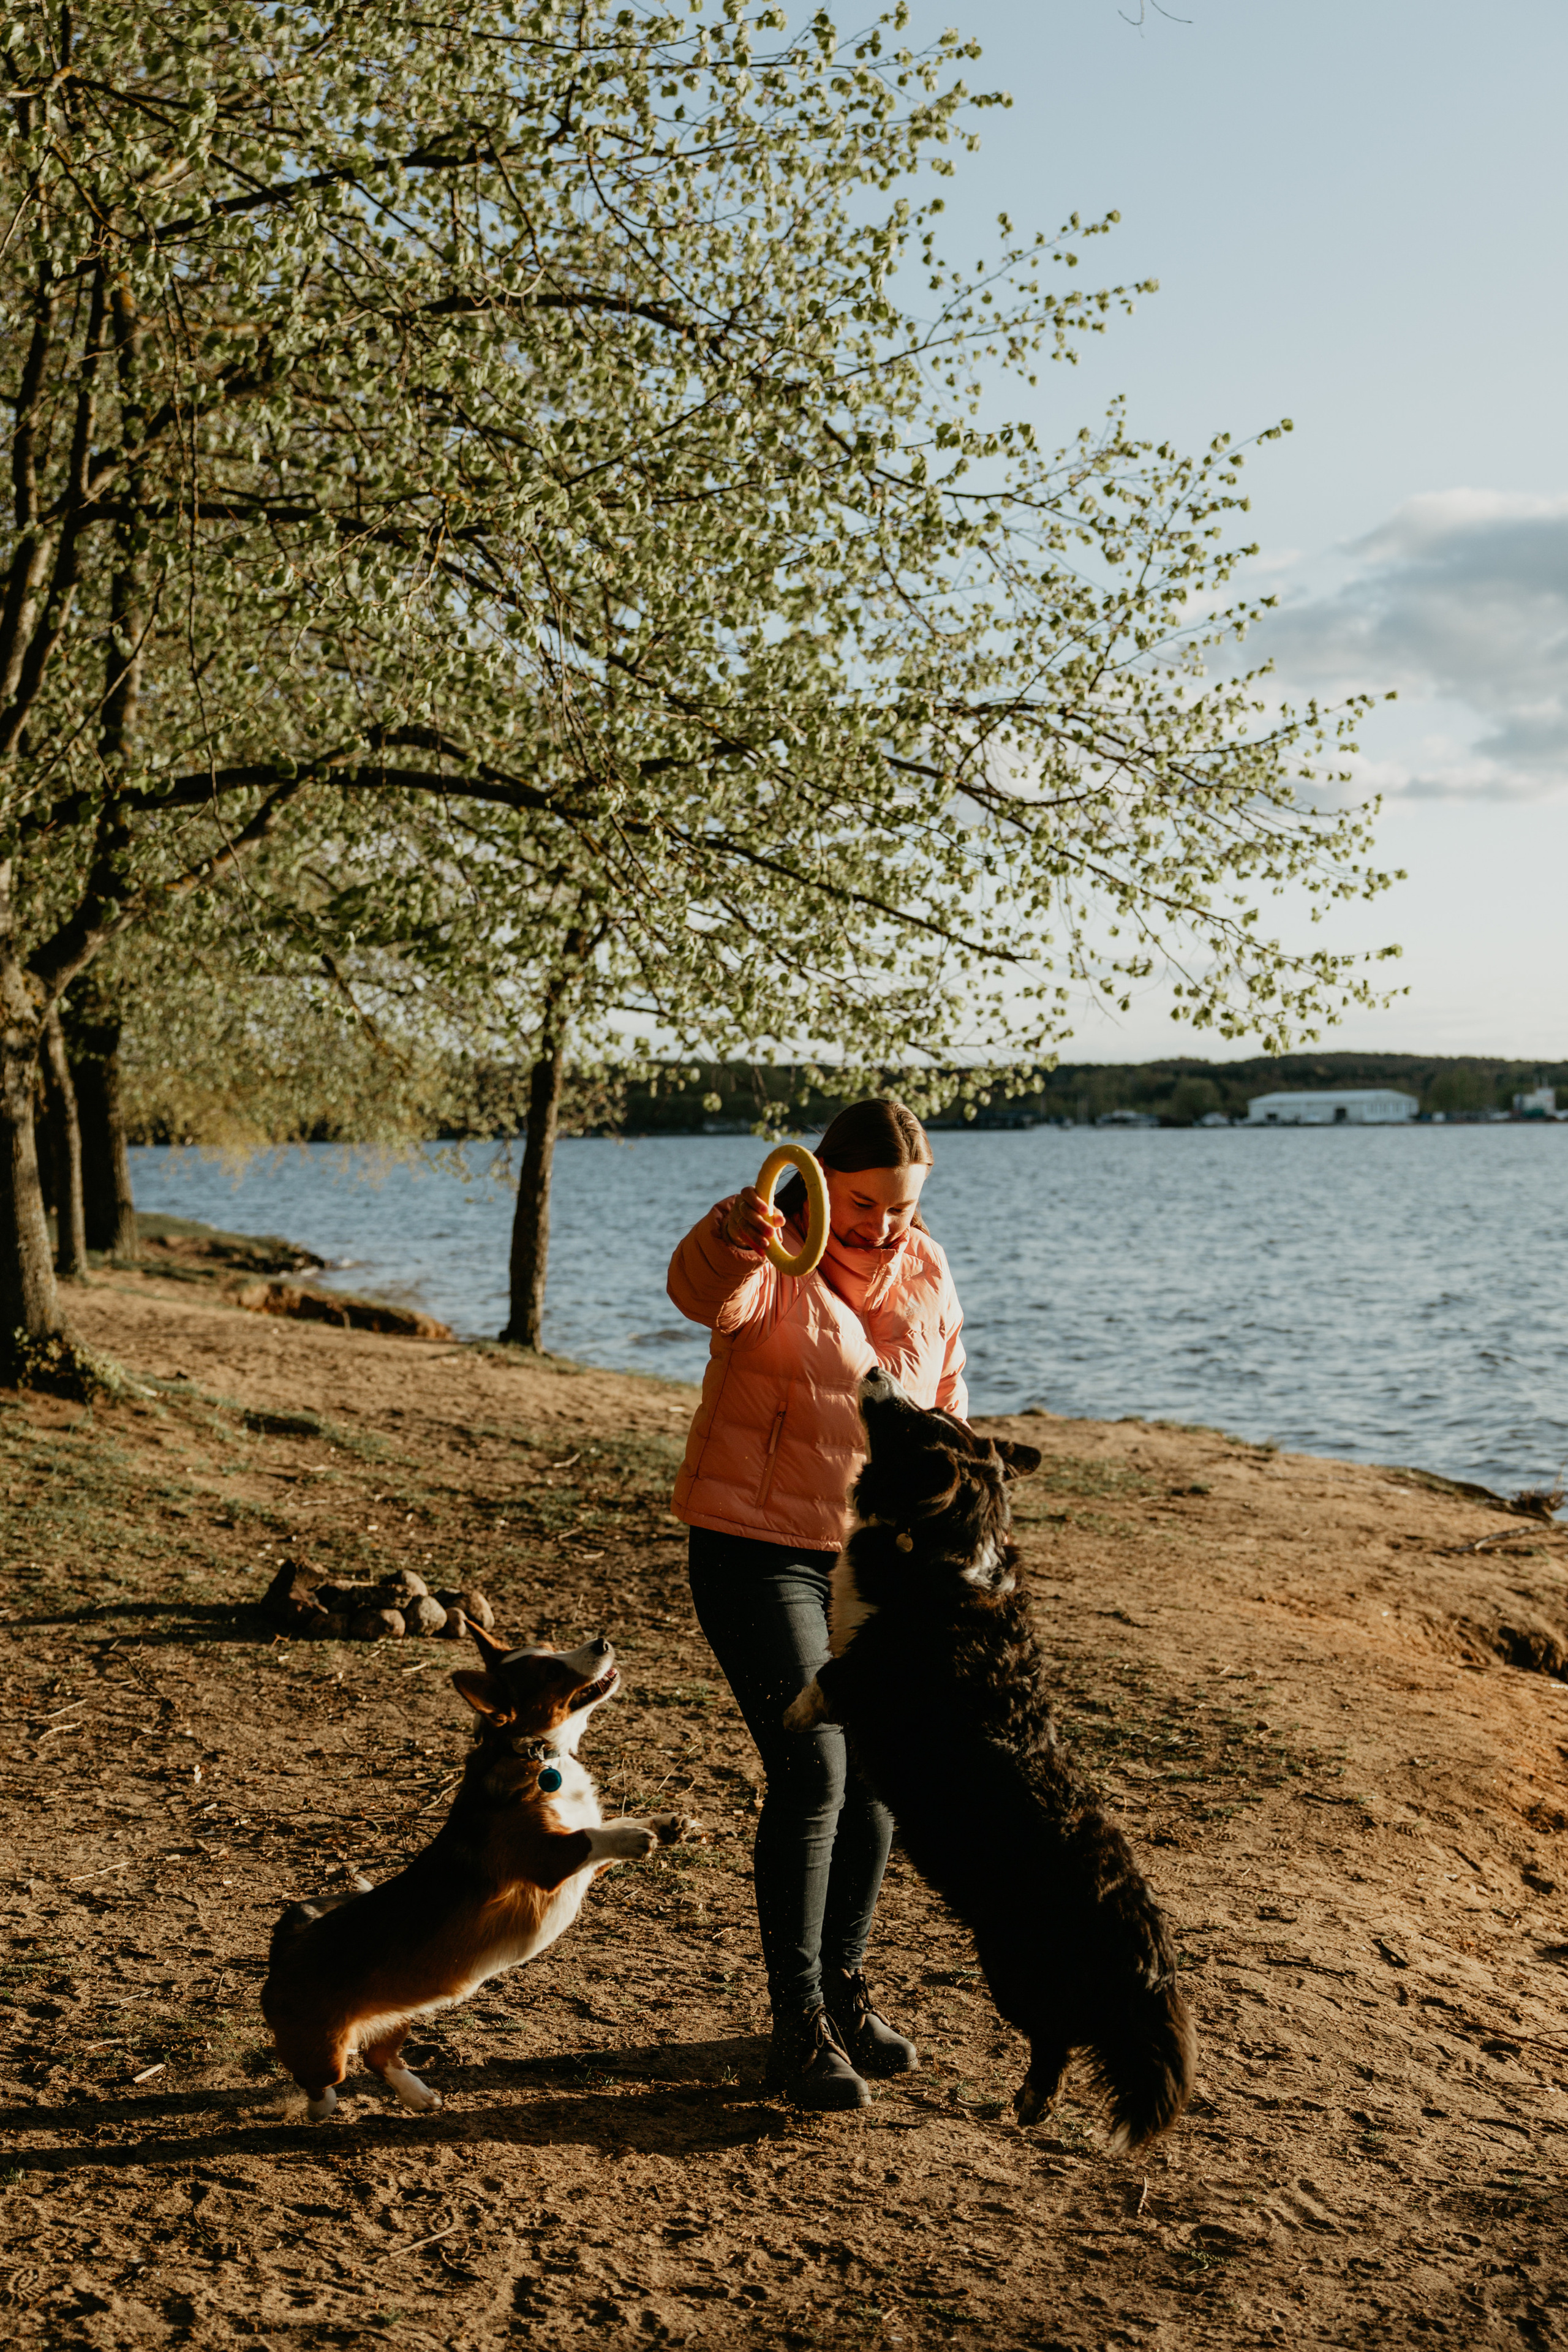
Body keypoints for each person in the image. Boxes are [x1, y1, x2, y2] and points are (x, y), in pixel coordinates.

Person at [666, 1098, 968, 2110]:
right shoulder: (770, 1253)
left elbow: (946, 1410)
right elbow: (700, 1293)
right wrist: (731, 1233)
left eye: (903, 1207)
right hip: (754, 1553)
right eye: (866, 1204)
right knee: (813, 1765)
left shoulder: (927, 1270)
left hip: (867, 1566)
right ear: (822, 1184)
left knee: (878, 1770)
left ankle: (842, 1990)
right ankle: (794, 2026)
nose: (885, 1226)